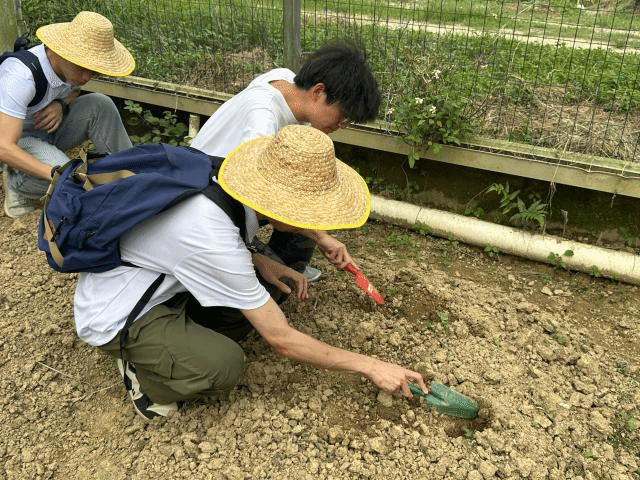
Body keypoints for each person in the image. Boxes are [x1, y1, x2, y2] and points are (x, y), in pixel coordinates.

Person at [74, 124, 427, 420]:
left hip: (161, 285)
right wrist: (371, 366)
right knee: (224, 365)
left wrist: (260, 258)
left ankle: (177, 344)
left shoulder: (222, 177)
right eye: (308, 212)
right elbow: (281, 340)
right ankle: (146, 375)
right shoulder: (210, 234)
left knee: (264, 290)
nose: (313, 222)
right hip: (118, 314)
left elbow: (196, 242)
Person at [190, 40, 381, 282]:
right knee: (295, 199)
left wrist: (321, 235)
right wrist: (321, 236)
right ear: (318, 92)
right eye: (343, 116)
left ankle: (284, 262)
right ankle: (276, 267)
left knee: (305, 181)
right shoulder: (262, 123)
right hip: (208, 194)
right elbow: (264, 203)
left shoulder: (286, 81)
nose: (341, 125)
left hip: (226, 186)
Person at [0, 11, 135, 218]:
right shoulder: (21, 77)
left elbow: (74, 90)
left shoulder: (70, 69)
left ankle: (130, 177)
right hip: (15, 140)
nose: (87, 77)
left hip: (44, 128)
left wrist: (61, 104)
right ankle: (18, 187)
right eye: (82, 67)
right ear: (61, 52)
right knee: (68, 174)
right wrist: (57, 174)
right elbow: (4, 147)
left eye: (94, 71)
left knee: (101, 104)